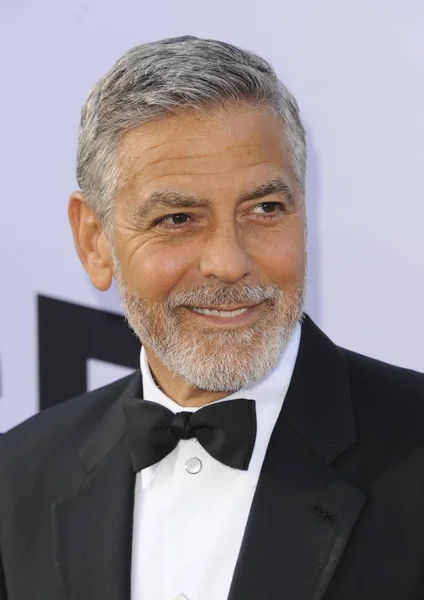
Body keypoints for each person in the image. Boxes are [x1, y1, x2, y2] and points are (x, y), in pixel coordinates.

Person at [1, 35, 424, 600]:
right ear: (95, 241)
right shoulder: (18, 478)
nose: (228, 263)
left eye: (265, 210)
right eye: (177, 219)